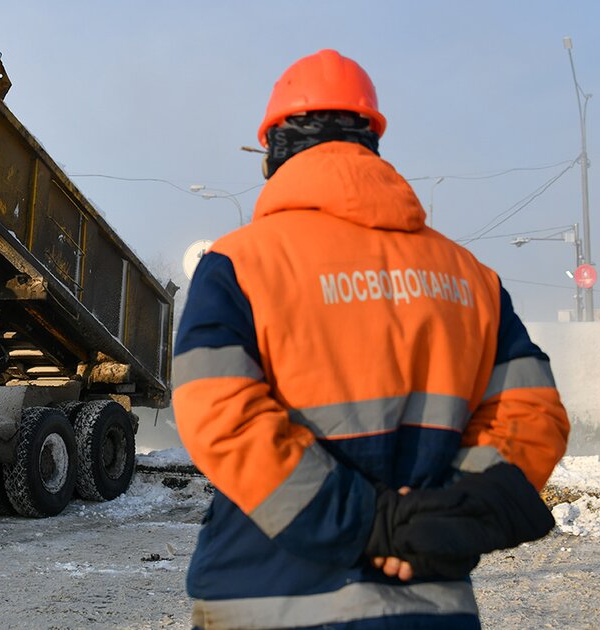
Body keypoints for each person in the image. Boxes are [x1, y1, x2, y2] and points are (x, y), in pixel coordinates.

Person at [173, 49, 569, 629]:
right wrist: (436, 521)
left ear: (275, 151)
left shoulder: (240, 264)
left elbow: (219, 415)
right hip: (427, 606)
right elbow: (534, 416)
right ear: (370, 141)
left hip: (265, 602)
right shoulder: (468, 276)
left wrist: (369, 523)